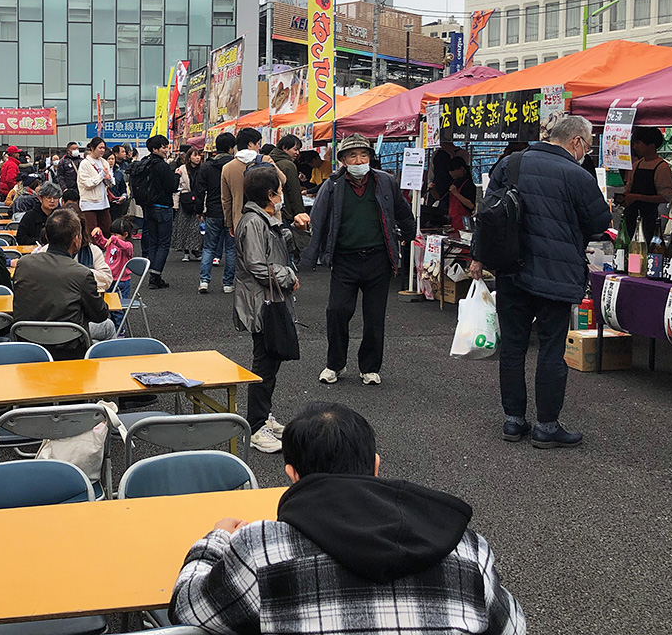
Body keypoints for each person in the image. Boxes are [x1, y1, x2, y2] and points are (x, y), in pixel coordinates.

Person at [170, 402, 525, 635]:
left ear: (292, 475)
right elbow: (513, 627)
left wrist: (216, 540)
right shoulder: (464, 547)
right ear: (375, 466)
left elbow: (190, 608)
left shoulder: (260, 550)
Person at [470, 115, 611, 448]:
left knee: (513, 347)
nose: (587, 152)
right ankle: (547, 426)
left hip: (511, 270)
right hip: (556, 275)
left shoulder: (511, 163)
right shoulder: (578, 175)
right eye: (588, 145)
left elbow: (487, 215)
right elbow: (599, 223)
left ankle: (513, 420)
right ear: (576, 141)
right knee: (551, 349)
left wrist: (479, 256)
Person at [307, 133, 416, 387]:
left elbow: (403, 212)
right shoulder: (332, 185)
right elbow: (318, 220)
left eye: (364, 155)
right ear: (343, 160)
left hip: (378, 258)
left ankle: (370, 367)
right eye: (353, 156)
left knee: (375, 316)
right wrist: (312, 256)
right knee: (337, 311)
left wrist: (407, 237)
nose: (359, 160)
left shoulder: (385, 181)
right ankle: (335, 364)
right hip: (344, 259)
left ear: (370, 157)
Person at [233, 166, 304, 453]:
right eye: (280, 191)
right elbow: (257, 265)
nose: (282, 195)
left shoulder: (265, 218)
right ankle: (256, 425)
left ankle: (263, 417)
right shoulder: (254, 222)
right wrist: (288, 275)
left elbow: (288, 249)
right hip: (261, 302)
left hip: (268, 299)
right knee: (264, 362)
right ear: (270, 194)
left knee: (270, 361)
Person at [12, 207, 112, 360]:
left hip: (27, 343)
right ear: (76, 239)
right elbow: (100, 315)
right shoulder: (82, 274)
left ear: (47, 236)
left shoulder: (24, 264)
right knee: (108, 327)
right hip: (69, 348)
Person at [133, 135, 180, 289]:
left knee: (153, 241)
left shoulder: (145, 163)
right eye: (163, 147)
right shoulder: (162, 166)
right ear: (155, 149)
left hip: (148, 206)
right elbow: (172, 186)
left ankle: (152, 273)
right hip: (163, 207)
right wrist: (177, 175)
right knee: (164, 243)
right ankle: (155, 275)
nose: (166, 150)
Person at [194, 132, 237, 294]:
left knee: (209, 247)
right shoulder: (235, 166)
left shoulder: (206, 166)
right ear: (231, 148)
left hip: (212, 211)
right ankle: (228, 284)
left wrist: (199, 210)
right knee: (231, 249)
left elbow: (199, 191)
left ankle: (204, 281)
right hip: (232, 212)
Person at [220, 127, 283, 237]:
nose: (259, 147)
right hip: (270, 218)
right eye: (258, 143)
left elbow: (226, 200)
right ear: (250, 144)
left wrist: (230, 224)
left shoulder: (227, 168)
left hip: (241, 220)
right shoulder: (266, 160)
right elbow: (283, 179)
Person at [620, 126, 672, 244]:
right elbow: (629, 188)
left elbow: (665, 197)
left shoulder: (662, 167)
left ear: (651, 145)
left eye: (638, 143)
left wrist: (637, 197)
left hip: (650, 219)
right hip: (631, 217)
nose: (635, 147)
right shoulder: (636, 165)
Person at [92, 216, 134, 328]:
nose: (112, 237)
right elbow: (103, 242)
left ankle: (120, 329)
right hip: (110, 279)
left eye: (116, 234)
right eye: (112, 234)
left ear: (125, 234)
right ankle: (113, 328)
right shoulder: (111, 243)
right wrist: (98, 234)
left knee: (118, 307)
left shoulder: (128, 246)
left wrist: (115, 239)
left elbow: (125, 247)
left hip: (121, 281)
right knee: (107, 305)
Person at [270, 134, 311, 231]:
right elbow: (294, 191)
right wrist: (300, 213)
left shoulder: (270, 160)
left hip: (274, 211)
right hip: (287, 213)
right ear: (284, 148)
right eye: (295, 149)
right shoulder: (288, 165)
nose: (297, 153)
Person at [77, 136, 115, 235]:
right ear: (92, 148)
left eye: (104, 148)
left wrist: (109, 179)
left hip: (103, 202)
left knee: (107, 229)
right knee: (92, 232)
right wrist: (101, 175)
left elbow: (111, 183)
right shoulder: (85, 163)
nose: (102, 150)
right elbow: (87, 184)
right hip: (89, 203)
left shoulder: (104, 162)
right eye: (100, 148)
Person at [173, 148, 204, 263]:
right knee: (183, 227)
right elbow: (177, 188)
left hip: (198, 200)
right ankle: (186, 252)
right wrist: (175, 204)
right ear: (189, 157)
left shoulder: (202, 169)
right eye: (195, 155)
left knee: (196, 228)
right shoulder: (182, 169)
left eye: (199, 155)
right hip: (185, 201)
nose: (197, 158)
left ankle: (196, 250)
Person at [16, 181, 62, 246]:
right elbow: (21, 238)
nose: (52, 201)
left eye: (55, 198)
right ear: (40, 198)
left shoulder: (61, 216)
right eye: (49, 198)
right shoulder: (30, 216)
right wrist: (40, 241)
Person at [446, 156, 477, 234]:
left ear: (462, 169)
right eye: (449, 171)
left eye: (453, 170)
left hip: (463, 223)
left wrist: (456, 193)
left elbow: (471, 205)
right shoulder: (454, 182)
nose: (451, 173)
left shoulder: (468, 184)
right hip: (453, 222)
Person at [106, 151, 129, 222]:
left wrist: (123, 196)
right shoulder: (100, 172)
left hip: (116, 202)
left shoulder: (118, 173)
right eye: (109, 159)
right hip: (104, 203)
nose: (111, 161)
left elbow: (123, 189)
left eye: (113, 159)